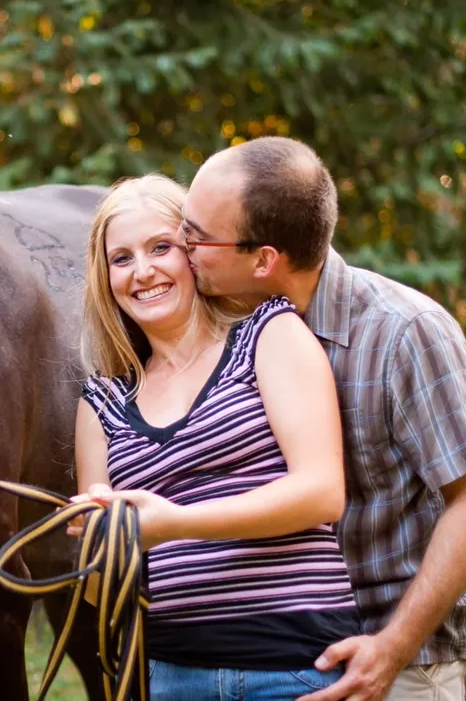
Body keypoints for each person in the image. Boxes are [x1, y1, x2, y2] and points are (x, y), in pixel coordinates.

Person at [180, 136, 466, 701]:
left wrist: (393, 645)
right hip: (297, 656)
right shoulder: (230, 335)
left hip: (411, 658)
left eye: (197, 237)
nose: (182, 248)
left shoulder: (405, 333)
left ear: (263, 260)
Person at [71, 173, 362, 701]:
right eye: (122, 258)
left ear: (193, 253)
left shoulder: (268, 335)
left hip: (295, 667)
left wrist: (174, 523)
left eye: (161, 247)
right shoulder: (102, 404)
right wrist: (102, 542)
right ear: (104, 275)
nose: (143, 271)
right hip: (171, 677)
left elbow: (322, 492)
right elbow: (99, 589)